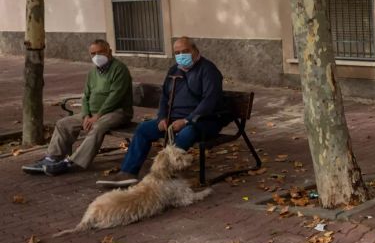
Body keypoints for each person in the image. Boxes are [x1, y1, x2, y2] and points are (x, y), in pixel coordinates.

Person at [97, 36, 225, 188]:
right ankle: (128, 173)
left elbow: (209, 101)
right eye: (177, 52)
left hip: (202, 120)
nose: (181, 55)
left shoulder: (208, 70)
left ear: (195, 50)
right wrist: (162, 117)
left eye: (185, 51)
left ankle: (162, 176)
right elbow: (164, 97)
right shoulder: (174, 70)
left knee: (186, 133)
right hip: (173, 118)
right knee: (144, 129)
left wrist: (186, 121)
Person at [22, 39, 133, 176]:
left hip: (117, 112)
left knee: (98, 126)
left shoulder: (119, 69)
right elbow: (86, 96)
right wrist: (86, 114)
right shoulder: (92, 72)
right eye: (93, 53)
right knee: (63, 124)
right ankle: (52, 158)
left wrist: (97, 116)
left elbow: (115, 96)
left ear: (109, 52)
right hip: (92, 114)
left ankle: (71, 162)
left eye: (100, 52)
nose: (97, 56)